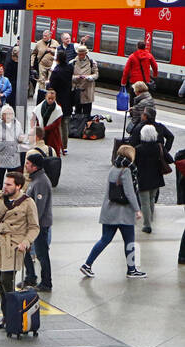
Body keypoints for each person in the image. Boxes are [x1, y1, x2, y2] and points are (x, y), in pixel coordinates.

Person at [80, 146, 146, 280]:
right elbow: (129, 192)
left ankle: (87, 264)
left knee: (104, 239)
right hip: (123, 213)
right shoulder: (127, 171)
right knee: (130, 242)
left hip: (109, 211)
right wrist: (137, 209)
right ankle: (131, 269)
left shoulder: (113, 168)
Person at [0, 171, 39, 330]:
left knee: (6, 282)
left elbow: (34, 227)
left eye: (9, 185)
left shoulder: (28, 203)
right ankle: (6, 316)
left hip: (14, 247)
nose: (5, 187)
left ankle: (10, 317)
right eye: (4, 184)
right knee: (1, 285)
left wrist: (25, 242)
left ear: (18, 186)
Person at [21, 152, 54, 292]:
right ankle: (31, 276)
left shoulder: (40, 182)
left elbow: (38, 208)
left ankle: (46, 282)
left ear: (34, 167)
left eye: (27, 164)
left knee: (41, 253)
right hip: (33, 223)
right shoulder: (35, 180)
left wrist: (32, 225)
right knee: (25, 251)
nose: (25, 166)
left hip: (39, 224)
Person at [131, 124, 169, 235]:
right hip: (156, 177)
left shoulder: (138, 149)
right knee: (152, 199)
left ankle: (147, 225)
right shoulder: (159, 147)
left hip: (143, 178)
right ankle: (150, 219)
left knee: (144, 203)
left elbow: (134, 164)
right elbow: (169, 159)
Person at [0, 104, 23, 191]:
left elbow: (21, 135)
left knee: (14, 179)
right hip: (0, 157)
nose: (9, 116)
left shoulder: (17, 124)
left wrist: (21, 138)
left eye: (11, 114)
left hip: (13, 157)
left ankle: (13, 194)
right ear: (2, 115)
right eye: (7, 114)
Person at [48, 52, 74, 144]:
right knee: (65, 124)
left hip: (58, 100)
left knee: (58, 124)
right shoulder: (70, 68)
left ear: (57, 59)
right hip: (68, 99)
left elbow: (51, 86)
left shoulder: (56, 71)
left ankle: (59, 144)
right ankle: (65, 145)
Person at [32, 86, 66, 156]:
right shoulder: (40, 107)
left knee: (53, 153)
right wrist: (38, 130)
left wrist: (43, 129)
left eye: (52, 99)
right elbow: (37, 119)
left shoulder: (58, 109)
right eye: (49, 98)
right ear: (46, 97)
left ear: (55, 98)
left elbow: (56, 123)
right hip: (41, 134)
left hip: (53, 134)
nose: (50, 100)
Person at [71, 44, 99, 124]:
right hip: (77, 91)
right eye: (79, 54)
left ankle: (85, 128)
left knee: (87, 113)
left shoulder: (91, 62)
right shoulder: (73, 62)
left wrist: (90, 77)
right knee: (77, 112)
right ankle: (77, 128)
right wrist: (76, 77)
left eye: (83, 54)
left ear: (86, 54)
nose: (81, 56)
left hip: (88, 91)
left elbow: (96, 74)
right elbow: (69, 76)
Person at [31, 30, 59, 103]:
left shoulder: (55, 43)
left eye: (46, 36)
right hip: (42, 64)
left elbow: (58, 54)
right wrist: (32, 63)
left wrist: (52, 51)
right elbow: (34, 53)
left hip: (51, 65)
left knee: (50, 82)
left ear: (50, 36)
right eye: (43, 35)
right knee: (42, 81)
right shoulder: (39, 43)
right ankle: (41, 98)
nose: (44, 37)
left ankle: (49, 97)